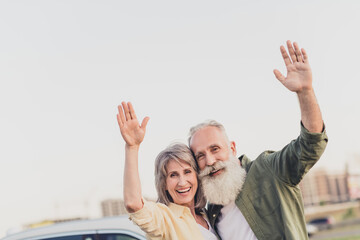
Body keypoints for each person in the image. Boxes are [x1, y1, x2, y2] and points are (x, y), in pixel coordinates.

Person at [188, 41, 328, 240]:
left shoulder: (268, 169)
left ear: (232, 148)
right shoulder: (212, 212)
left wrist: (305, 92)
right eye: (200, 155)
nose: (210, 161)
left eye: (215, 149)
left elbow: (311, 144)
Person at [117, 102, 218, 240]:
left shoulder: (207, 215)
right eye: (173, 175)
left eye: (187, 172)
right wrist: (132, 147)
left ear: (197, 175)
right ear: (164, 184)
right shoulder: (164, 219)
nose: (182, 182)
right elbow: (133, 204)